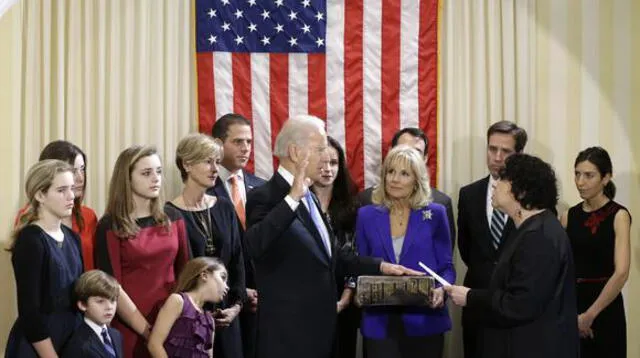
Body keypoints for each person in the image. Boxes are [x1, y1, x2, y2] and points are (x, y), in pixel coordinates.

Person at [243, 115, 423, 358]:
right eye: (319, 149)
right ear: (296, 152)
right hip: (287, 336)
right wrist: (292, 199)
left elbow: (332, 255)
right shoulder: (267, 196)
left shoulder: (310, 196)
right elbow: (254, 245)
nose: (325, 155)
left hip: (322, 331)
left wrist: (383, 267)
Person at [446, 154, 579, 358]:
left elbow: (520, 304)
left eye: (502, 180)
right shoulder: (532, 228)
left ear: (522, 191)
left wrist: (470, 296)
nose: (494, 185)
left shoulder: (538, 236)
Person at [356, 145, 454, 358]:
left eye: (404, 173)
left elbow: (446, 267)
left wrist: (441, 290)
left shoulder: (435, 214)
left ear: (416, 180)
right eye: (390, 172)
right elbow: (360, 266)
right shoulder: (366, 215)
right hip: (379, 322)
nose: (394, 179)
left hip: (425, 320)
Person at [95, 145, 191, 358]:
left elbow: (186, 273)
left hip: (173, 323)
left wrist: (173, 324)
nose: (155, 178)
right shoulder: (110, 225)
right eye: (146, 173)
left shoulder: (173, 217)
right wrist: (150, 332)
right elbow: (112, 287)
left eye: (158, 171)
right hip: (131, 327)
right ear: (127, 179)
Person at [167, 133, 246, 358]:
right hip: (191, 320)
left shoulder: (223, 207)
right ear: (187, 164)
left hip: (228, 315)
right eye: (207, 161)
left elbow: (238, 259)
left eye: (216, 162)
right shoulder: (169, 213)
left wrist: (236, 307)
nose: (214, 168)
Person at [456, 120, 527, 358]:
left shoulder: (531, 197)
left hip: (515, 307)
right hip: (477, 303)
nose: (497, 157)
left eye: (505, 151)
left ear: (519, 154)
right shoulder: (468, 194)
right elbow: (466, 248)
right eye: (492, 148)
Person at [5, 160, 84, 357]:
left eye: (72, 189)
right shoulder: (31, 241)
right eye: (61, 190)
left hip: (70, 340)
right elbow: (30, 312)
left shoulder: (73, 237)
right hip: (39, 345)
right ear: (40, 195)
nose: (71, 196)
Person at [561, 147, 631, 358]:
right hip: (571, 307)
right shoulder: (568, 216)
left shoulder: (619, 215)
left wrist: (590, 315)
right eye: (577, 174)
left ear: (606, 178)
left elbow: (621, 273)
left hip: (605, 308)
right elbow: (561, 267)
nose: (580, 182)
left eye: (589, 175)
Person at [208, 113, 266, 358]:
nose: (245, 148)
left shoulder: (262, 186)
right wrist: (239, 292)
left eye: (249, 142)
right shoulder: (205, 189)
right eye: (238, 142)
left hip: (261, 300)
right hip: (223, 300)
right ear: (218, 144)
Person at [359, 127, 455, 244]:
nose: (407, 156)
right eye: (402, 149)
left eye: (415, 152)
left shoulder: (440, 203)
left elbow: (444, 255)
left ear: (425, 159)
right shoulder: (366, 200)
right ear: (391, 153)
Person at [310, 136, 360, 358]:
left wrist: (346, 296)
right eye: (321, 163)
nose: (327, 169)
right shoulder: (297, 201)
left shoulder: (352, 205)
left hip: (344, 298)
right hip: (306, 299)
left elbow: (356, 253)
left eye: (333, 163)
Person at [15, 140, 98, 271]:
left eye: (82, 169)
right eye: (73, 170)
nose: (80, 178)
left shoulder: (89, 216)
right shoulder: (27, 219)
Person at [148, 257, 228, 358]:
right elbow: (154, 344)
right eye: (223, 277)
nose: (227, 286)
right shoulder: (178, 301)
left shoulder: (209, 321)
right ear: (204, 275)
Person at [61, 270, 124, 358]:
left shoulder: (116, 335)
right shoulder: (78, 345)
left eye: (113, 300)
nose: (109, 307)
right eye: (100, 301)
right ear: (83, 305)